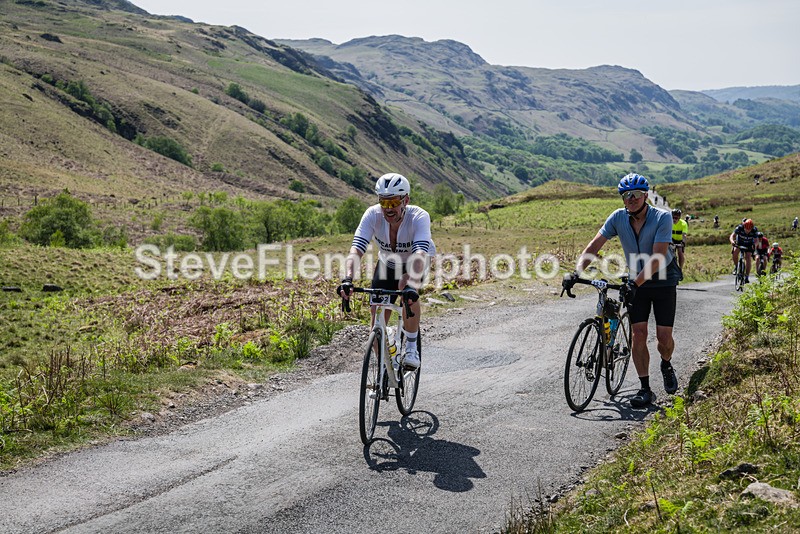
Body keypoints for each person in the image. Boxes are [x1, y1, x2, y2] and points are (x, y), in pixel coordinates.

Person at [563, 173, 681, 408]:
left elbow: (658, 257)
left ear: (645, 195)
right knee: (638, 335)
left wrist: (633, 284)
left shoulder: (662, 218)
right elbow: (594, 245)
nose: (632, 199)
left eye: (636, 194)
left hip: (663, 279)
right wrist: (576, 272)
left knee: (664, 338)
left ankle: (666, 364)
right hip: (637, 281)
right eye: (627, 195)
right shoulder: (618, 218)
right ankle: (644, 387)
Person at [337, 173, 435, 370]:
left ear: (405, 200)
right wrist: (347, 278)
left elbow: (420, 252)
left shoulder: (419, 217)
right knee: (376, 327)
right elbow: (356, 249)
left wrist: (412, 286)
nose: (388, 209)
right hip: (387, 264)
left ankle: (411, 347)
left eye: (393, 203)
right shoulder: (372, 215)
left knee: (405, 287)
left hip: (415, 263)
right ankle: (384, 370)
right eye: (384, 202)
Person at [729, 219, 758, 283]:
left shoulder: (754, 230)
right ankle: (736, 266)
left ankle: (747, 276)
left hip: (749, 245)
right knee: (735, 252)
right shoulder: (739, 228)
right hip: (739, 243)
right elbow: (732, 236)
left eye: (749, 229)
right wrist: (732, 242)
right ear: (744, 226)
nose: (747, 231)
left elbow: (756, 240)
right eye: (746, 229)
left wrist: (754, 245)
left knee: (748, 258)